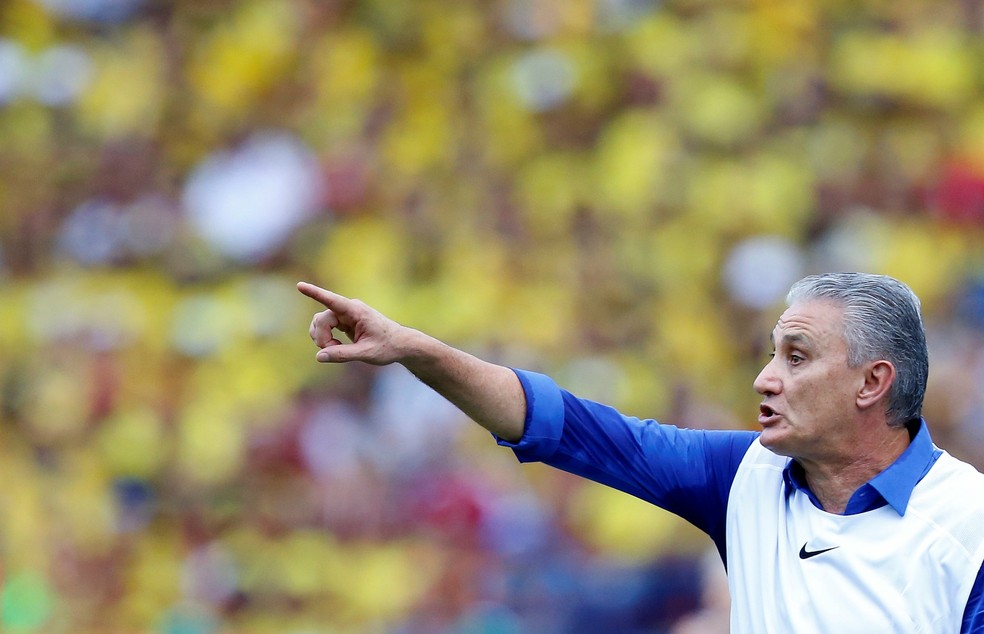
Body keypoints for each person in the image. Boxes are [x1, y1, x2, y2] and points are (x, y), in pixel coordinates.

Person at [297, 272, 984, 632]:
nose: (764, 378)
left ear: (872, 382)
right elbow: (561, 426)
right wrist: (417, 350)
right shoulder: (742, 475)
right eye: (772, 353)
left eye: (796, 357)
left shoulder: (967, 523)